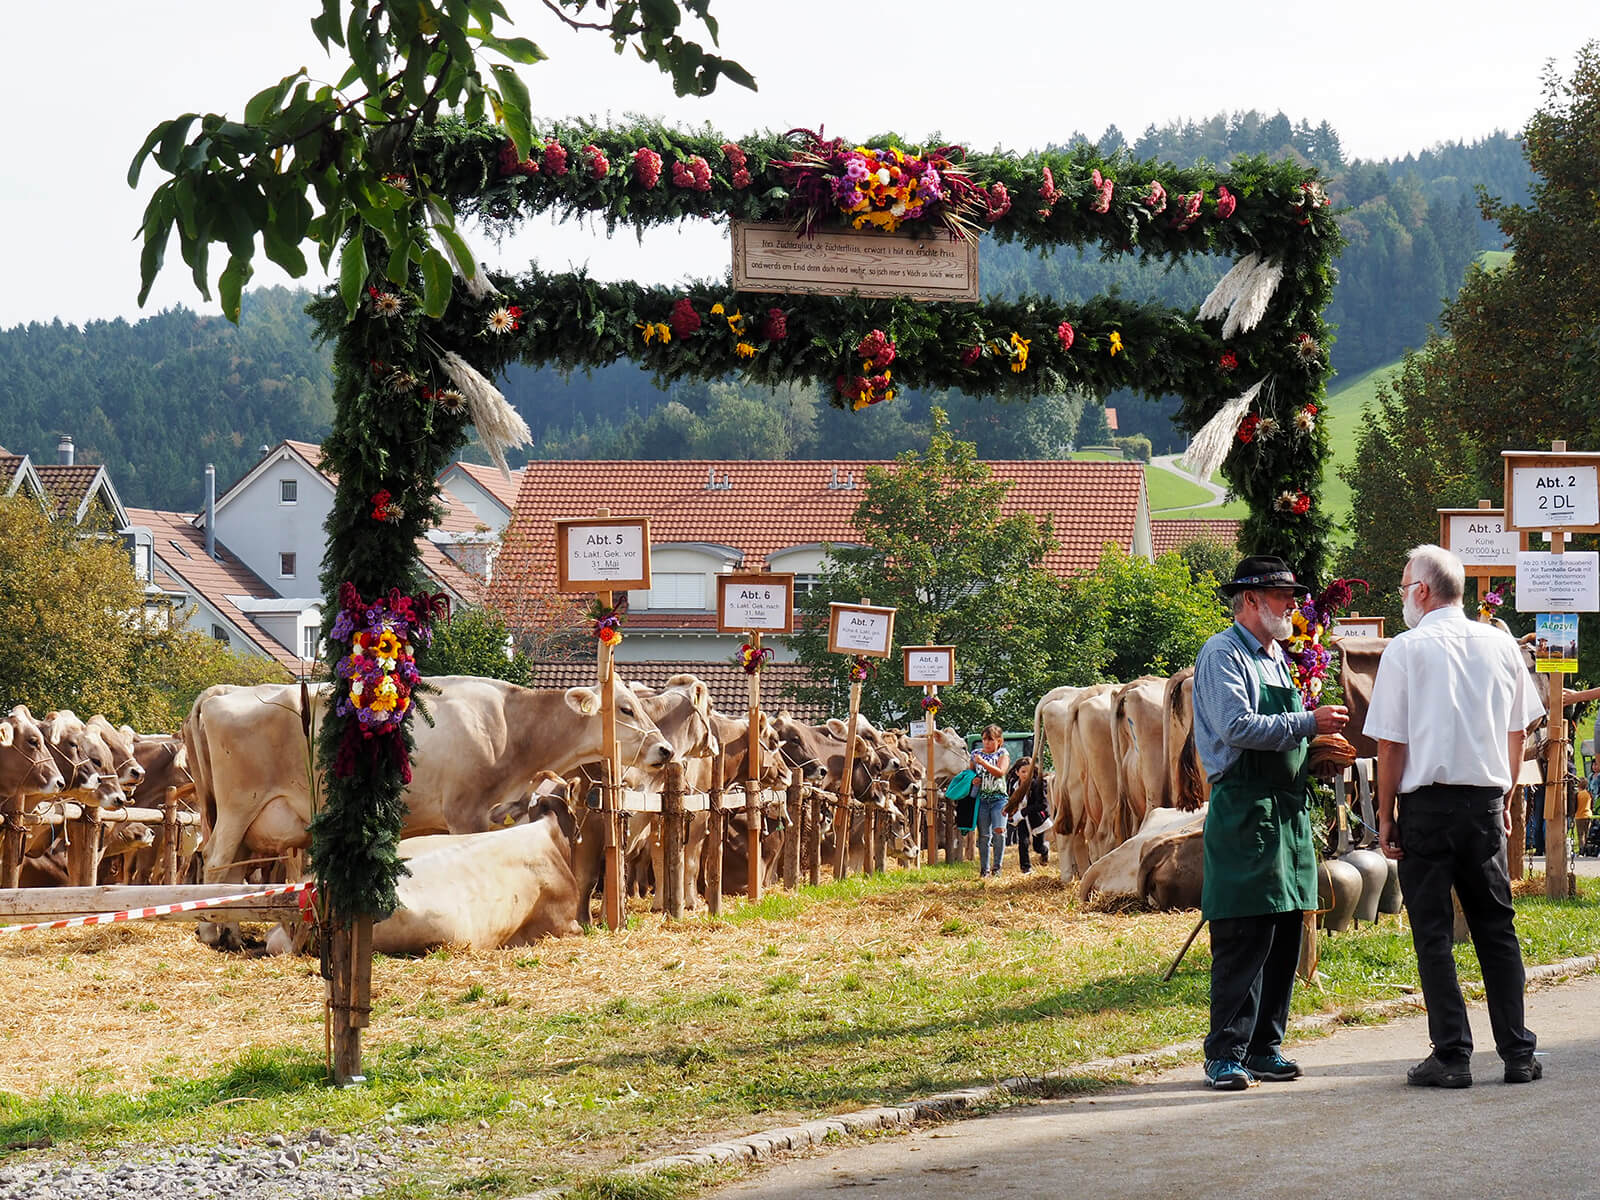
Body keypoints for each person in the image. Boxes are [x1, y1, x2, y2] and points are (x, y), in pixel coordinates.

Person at [1367, 544, 1545, 1088]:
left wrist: (1386, 812)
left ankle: (1452, 1055)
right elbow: (1518, 733)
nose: (1403, 595)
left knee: (1434, 933)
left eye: (1403, 586)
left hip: (1426, 806)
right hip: (1486, 805)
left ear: (1422, 590)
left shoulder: (1405, 648)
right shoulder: (1500, 645)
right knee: (1496, 929)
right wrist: (1509, 801)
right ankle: (1517, 1053)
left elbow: (1392, 744)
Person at [1193, 555, 1349, 1091]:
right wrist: (1309, 722)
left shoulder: (1276, 655)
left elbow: (1282, 735)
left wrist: (1315, 755)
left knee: (1285, 931)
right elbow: (1236, 727)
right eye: (1282, 597)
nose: (1292, 605)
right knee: (1244, 932)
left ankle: (1265, 1047)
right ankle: (1224, 1053)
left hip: (1285, 809)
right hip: (1244, 809)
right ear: (1253, 601)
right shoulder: (1223, 653)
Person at [970, 725, 1011, 878]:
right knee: (984, 835)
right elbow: (971, 773)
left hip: (999, 798)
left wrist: (983, 763)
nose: (986, 743)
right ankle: (984, 870)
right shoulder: (975, 754)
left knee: (999, 831)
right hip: (982, 799)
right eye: (984, 739)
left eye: (990, 740)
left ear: (999, 741)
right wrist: (973, 779)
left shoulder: (1002, 753)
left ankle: (997, 867)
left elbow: (1000, 772)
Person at [1005, 755, 1051, 874]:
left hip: (1036, 819)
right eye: (1023, 771)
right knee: (1023, 842)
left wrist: (1023, 812)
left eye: (1028, 771)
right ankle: (1026, 868)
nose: (1026, 774)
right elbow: (1010, 799)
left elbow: (1042, 805)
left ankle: (1045, 851)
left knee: (1037, 847)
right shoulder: (1013, 785)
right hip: (1021, 820)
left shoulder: (1038, 784)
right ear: (1017, 772)